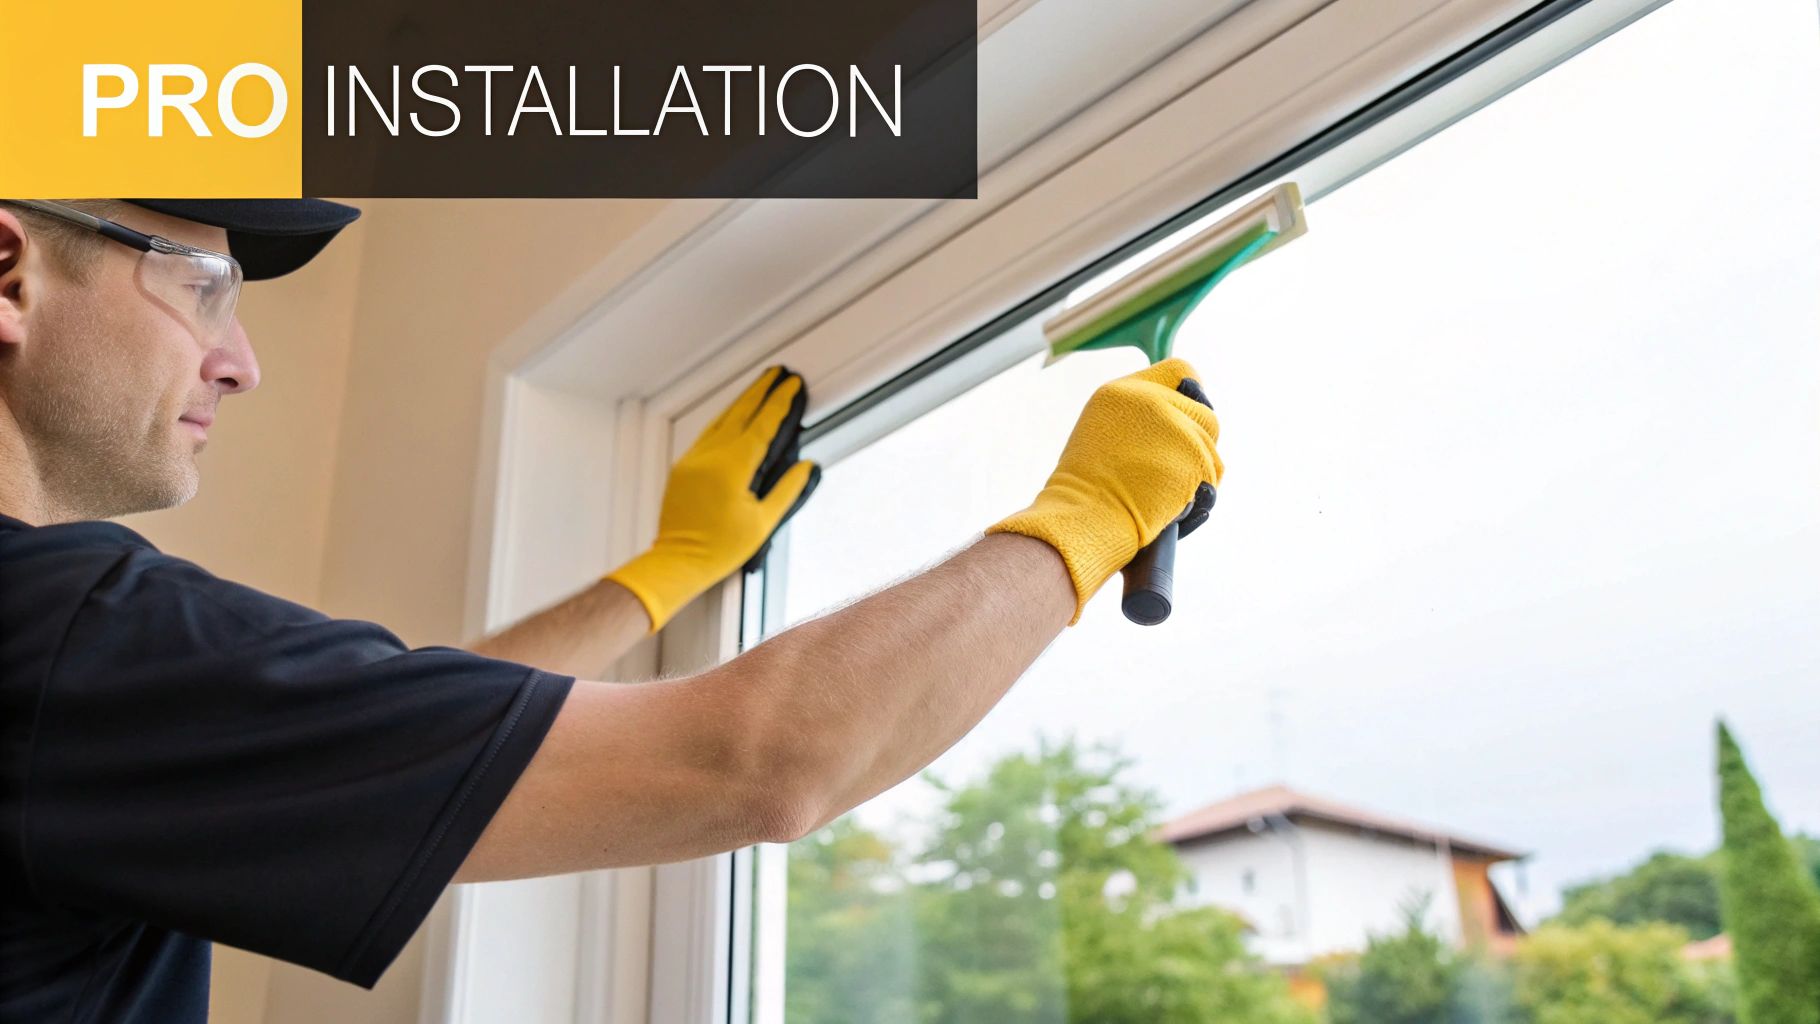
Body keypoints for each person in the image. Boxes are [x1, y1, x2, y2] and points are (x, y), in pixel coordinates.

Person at [0, 199, 1223, 1023]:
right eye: (203, 286)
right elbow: (756, 763)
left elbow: (421, 738)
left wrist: (665, 572)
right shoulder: (67, 638)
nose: (242, 359)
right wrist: (1084, 514)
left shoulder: (72, 680)